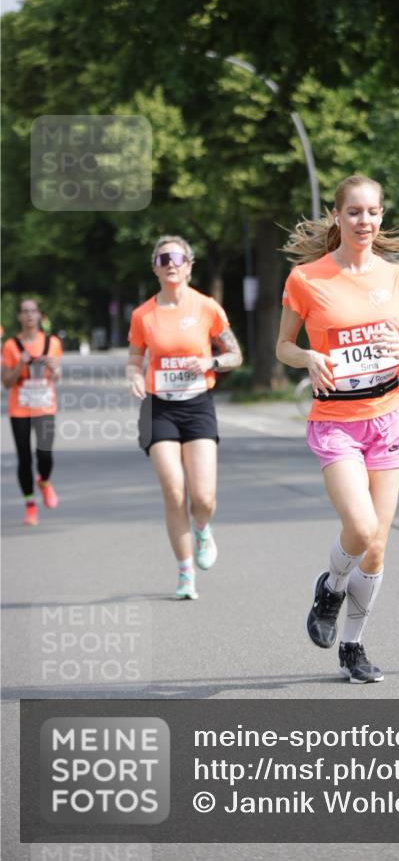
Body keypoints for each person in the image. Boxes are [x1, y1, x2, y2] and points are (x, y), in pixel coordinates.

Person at [276, 175, 399, 683]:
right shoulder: (307, 279)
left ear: (381, 217)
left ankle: (353, 647)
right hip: (335, 420)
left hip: (388, 414)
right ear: (337, 217)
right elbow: (282, 346)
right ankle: (330, 587)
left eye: (372, 212)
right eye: (354, 212)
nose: (364, 221)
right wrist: (306, 356)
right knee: (361, 528)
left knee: (377, 544)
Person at [127, 235, 243, 600]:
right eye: (164, 258)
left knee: (203, 497)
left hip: (197, 405)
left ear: (190, 265)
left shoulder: (207, 308)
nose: (171, 263)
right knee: (174, 490)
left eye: (178, 257)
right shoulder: (142, 315)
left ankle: (203, 528)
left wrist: (210, 362)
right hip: (159, 407)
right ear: (155, 267)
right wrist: (133, 375)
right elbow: (134, 359)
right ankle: (184, 572)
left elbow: (235, 354)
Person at [1, 298, 62, 525]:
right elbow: (6, 383)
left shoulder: (52, 342)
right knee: (24, 458)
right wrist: (20, 364)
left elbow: (57, 376)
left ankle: (44, 482)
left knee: (45, 454)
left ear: (39, 316)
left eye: (33, 311)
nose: (28, 315)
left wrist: (53, 367)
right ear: (19, 316)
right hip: (20, 408)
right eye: (24, 311)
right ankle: (30, 506)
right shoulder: (10, 346)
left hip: (45, 405)